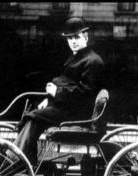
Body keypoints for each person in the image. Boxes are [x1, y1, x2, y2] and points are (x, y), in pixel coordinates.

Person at [10, 17, 104, 166]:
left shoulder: (93, 61)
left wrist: (56, 92)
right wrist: (49, 98)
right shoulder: (77, 57)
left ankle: (15, 159)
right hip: (65, 108)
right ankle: (26, 160)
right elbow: (66, 82)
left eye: (76, 37)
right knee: (33, 113)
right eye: (69, 38)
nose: (72, 41)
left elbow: (84, 95)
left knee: (34, 117)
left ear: (85, 37)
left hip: (77, 114)